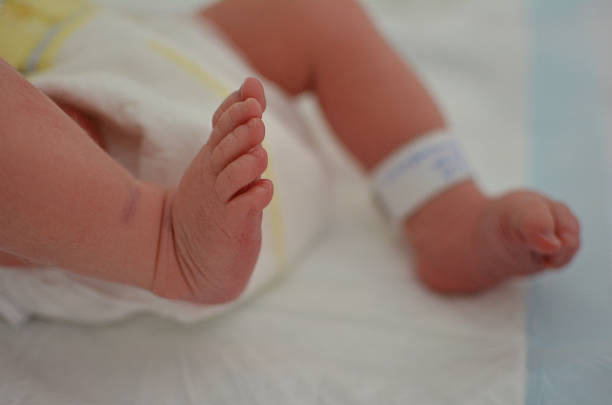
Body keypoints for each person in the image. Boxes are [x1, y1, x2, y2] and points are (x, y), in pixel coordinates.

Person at [0, 0, 580, 308]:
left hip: (141, 45)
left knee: (314, 12)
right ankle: (161, 243)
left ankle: (440, 203)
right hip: (85, 187)